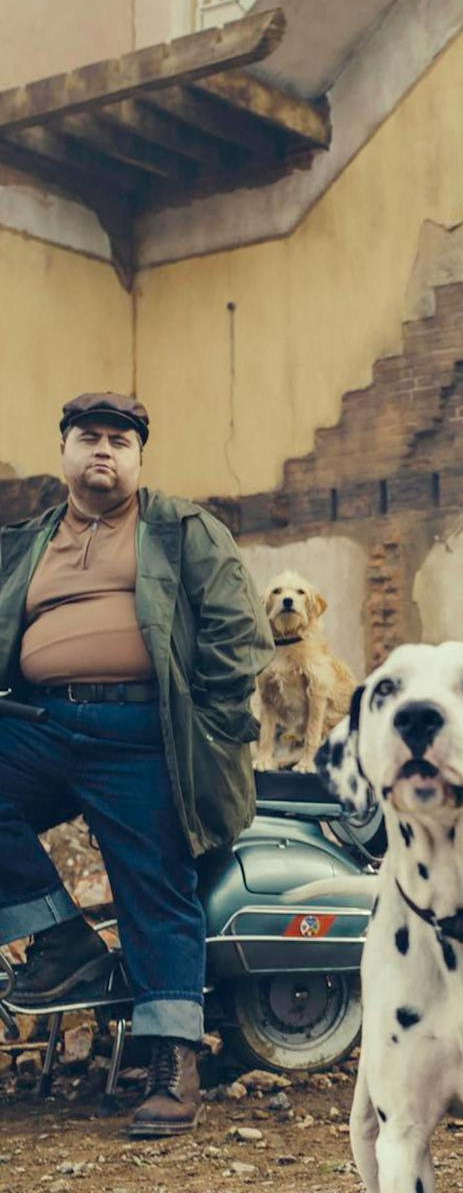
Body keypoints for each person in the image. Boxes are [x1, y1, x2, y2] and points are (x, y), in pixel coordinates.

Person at [0, 393, 273, 1136]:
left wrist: (209, 732)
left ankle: (171, 1063)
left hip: (143, 730)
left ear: (139, 460)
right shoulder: (25, 544)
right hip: (41, 721)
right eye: (90, 438)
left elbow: (235, 631)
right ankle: (62, 945)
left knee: (155, 883)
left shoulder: (180, 528)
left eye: (121, 441)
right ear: (62, 452)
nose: (104, 452)